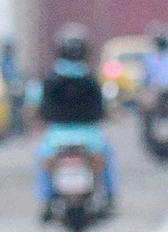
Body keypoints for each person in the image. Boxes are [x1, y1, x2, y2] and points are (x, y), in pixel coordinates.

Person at [31, 24, 115, 216]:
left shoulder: (50, 79)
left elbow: (37, 106)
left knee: (44, 161)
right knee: (107, 159)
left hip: (56, 137)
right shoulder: (91, 79)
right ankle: (109, 197)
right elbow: (103, 107)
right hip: (90, 137)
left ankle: (46, 200)